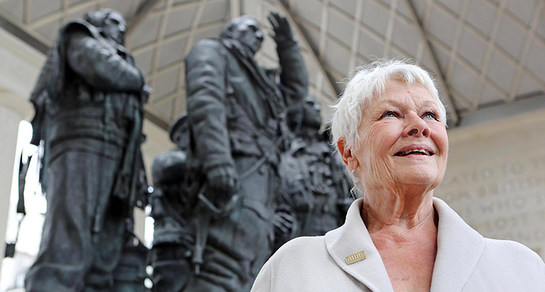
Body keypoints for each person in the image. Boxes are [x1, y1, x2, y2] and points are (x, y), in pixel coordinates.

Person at [251, 59, 545, 291]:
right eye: (391, 114)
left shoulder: (521, 267)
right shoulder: (293, 268)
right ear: (348, 152)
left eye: (430, 115)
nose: (420, 126)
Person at [25, 9, 150, 291]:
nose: (120, 28)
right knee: (68, 242)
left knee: (106, 251)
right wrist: (137, 78)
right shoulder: (80, 35)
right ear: (97, 22)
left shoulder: (117, 54)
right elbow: (105, 69)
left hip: (116, 158)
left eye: (121, 24)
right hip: (80, 144)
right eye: (113, 21)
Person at [183, 12, 307, 291]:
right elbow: (206, 104)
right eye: (250, 29)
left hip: (264, 182)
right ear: (230, 31)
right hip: (237, 169)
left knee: (254, 267)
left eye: (260, 34)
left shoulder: (259, 81)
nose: (258, 37)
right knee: (223, 260)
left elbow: (295, 93)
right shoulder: (212, 51)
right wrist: (217, 162)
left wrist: (287, 46)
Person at [274, 95, 352, 249]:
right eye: (310, 104)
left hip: (331, 233)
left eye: (317, 105)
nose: (317, 108)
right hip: (293, 235)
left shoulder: (333, 155)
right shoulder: (282, 150)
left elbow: (353, 193)